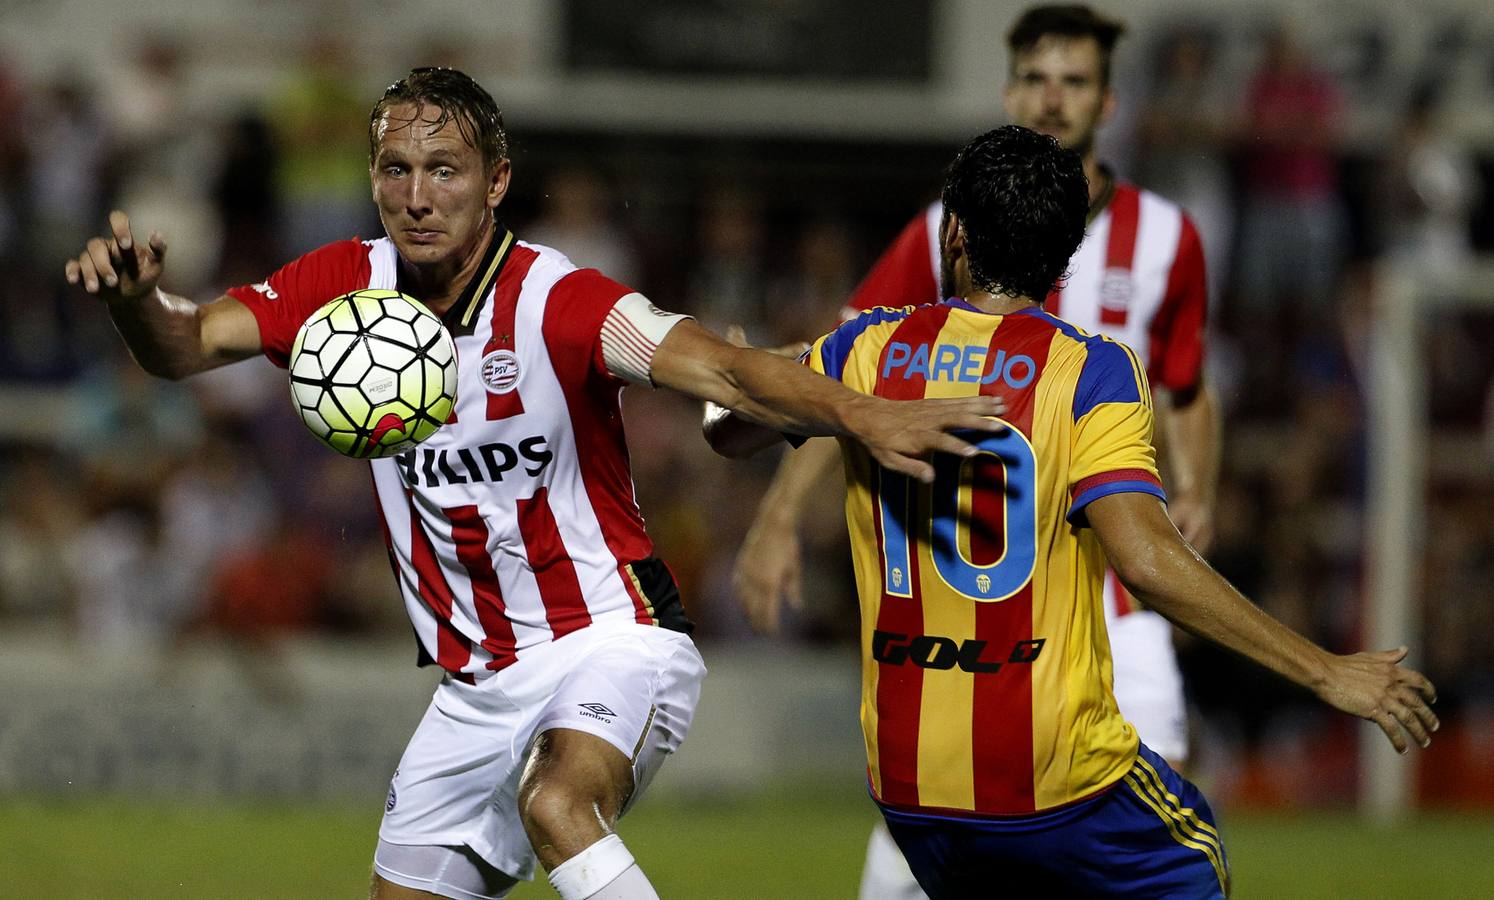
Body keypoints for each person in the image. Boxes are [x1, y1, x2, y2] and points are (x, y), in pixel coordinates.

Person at [64, 67, 1005, 900]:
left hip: (610, 638)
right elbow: (186, 345)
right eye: (397, 170)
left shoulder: (561, 300)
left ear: (496, 182)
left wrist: (864, 414)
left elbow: (722, 370)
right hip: (472, 689)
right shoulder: (341, 290)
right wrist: (135, 306)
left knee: (558, 802)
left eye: (446, 170)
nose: (418, 195)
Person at [707, 124, 1437, 898]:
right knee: (1197, 859)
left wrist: (741, 379)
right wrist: (1323, 671)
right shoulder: (1090, 370)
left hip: (914, 788)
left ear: (953, 232)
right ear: (1063, 258)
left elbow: (734, 430)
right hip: (1055, 781)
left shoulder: (867, 350)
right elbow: (1148, 562)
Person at [730, 8, 1217, 894]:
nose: (1052, 97)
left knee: (1116, 784)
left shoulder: (1166, 238)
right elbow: (840, 388)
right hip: (987, 577)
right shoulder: (944, 227)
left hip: (1114, 574)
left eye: (1072, 81)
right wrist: (776, 516)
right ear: (1009, 89)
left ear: (1106, 101)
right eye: (1036, 78)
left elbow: (1187, 388)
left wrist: (1199, 491)